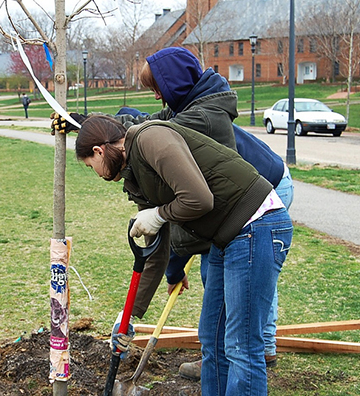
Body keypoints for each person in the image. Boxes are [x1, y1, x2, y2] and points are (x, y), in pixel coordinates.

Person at [53, 47, 293, 375]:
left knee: (239, 302)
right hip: (225, 210)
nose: (155, 98)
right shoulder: (164, 127)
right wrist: (130, 317)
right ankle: (227, 353)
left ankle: (258, 347)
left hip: (263, 197)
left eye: (158, 90)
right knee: (220, 321)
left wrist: (166, 237)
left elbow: (191, 204)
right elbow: (162, 233)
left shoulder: (199, 117)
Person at [75, 114, 293, 395]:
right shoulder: (135, 177)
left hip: (257, 223)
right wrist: (128, 316)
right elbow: (154, 253)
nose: (99, 175)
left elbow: (199, 198)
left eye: (93, 167)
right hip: (226, 237)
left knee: (241, 345)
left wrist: (160, 214)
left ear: (99, 151)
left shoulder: (150, 138)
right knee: (213, 340)